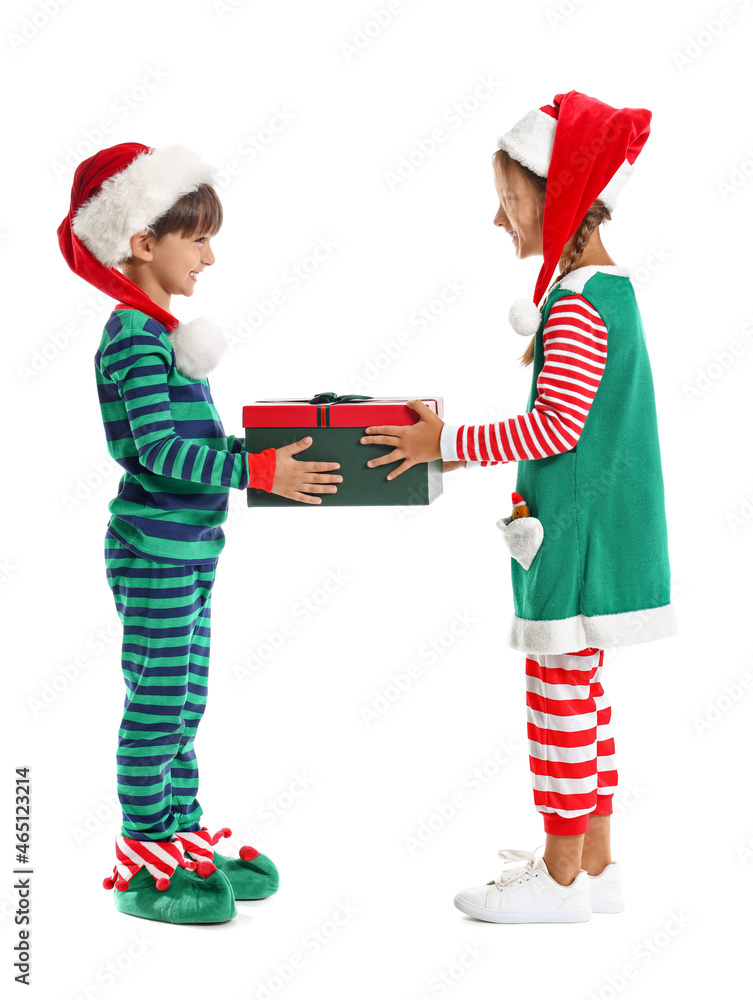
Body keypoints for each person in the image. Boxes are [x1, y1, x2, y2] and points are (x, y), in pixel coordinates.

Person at [361, 92, 678, 923]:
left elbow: (552, 425)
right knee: (582, 698)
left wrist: (443, 443)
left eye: (508, 203)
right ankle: (594, 866)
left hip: (575, 547)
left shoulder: (576, 303)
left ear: (557, 196)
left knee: (557, 703)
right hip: (590, 537)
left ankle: (562, 877)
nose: (497, 221)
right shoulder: (606, 291)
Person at [57, 142, 343, 924]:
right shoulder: (134, 338)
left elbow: (189, 448)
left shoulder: (168, 338)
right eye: (198, 238)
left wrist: (265, 458)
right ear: (142, 242)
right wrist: (258, 469)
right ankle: (141, 850)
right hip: (152, 550)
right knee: (155, 703)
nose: (210, 256)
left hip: (190, 551)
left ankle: (178, 836)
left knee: (186, 699)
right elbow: (158, 452)